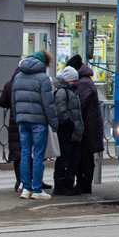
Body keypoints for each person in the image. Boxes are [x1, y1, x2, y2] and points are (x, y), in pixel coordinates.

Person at [12, 50, 58, 199]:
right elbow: (48, 104)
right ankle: (37, 190)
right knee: (38, 155)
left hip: (22, 122)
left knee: (25, 154)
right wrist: (54, 123)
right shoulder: (43, 79)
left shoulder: (18, 77)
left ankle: (26, 188)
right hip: (39, 123)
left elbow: (14, 101)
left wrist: (18, 117)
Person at [50, 63, 85, 196]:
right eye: (73, 80)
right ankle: (61, 184)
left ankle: (68, 183)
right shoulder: (62, 92)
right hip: (67, 132)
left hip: (74, 132)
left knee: (73, 159)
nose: (76, 83)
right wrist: (72, 125)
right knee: (64, 159)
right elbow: (61, 113)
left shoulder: (71, 92)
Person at [73, 57, 105, 195]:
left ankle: (84, 184)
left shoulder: (84, 83)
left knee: (85, 157)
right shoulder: (86, 80)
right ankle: (84, 184)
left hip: (88, 127)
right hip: (90, 125)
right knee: (86, 156)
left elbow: (80, 105)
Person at [0, 65, 24, 194]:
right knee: (28, 152)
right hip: (28, 121)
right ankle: (28, 181)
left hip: (13, 123)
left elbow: (2, 102)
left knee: (16, 153)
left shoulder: (9, 85)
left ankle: (19, 180)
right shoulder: (29, 82)